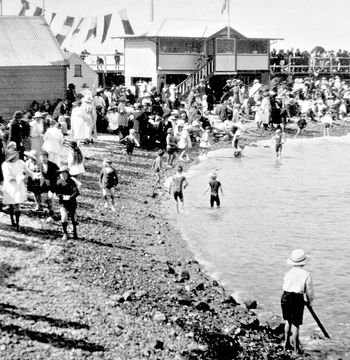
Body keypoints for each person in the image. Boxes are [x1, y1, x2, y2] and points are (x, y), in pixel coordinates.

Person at [281, 249, 314, 354]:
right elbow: (309, 292)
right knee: (295, 325)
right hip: (296, 299)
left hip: (285, 297)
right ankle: (296, 349)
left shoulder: (288, 273)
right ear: (303, 263)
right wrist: (309, 302)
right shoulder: (306, 274)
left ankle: (286, 344)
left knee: (287, 321)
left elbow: (285, 286)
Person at [1, 148, 33, 230]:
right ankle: (12, 221)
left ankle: (17, 223)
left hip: (19, 185)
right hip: (10, 186)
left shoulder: (20, 162)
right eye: (16, 154)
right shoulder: (5, 165)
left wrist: (33, 175)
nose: (18, 155)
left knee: (17, 203)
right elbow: (8, 177)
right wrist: (19, 177)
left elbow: (27, 170)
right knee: (11, 204)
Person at [54, 166, 80, 240]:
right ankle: (65, 233)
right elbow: (57, 192)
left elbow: (77, 192)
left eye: (63, 173)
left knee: (73, 218)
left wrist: (70, 197)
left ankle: (75, 231)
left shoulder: (72, 182)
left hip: (72, 202)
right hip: (63, 203)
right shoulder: (58, 182)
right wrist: (62, 197)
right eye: (60, 173)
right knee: (64, 217)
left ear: (67, 173)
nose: (62, 175)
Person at [38, 151, 59, 221]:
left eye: (44, 158)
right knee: (45, 198)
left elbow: (58, 175)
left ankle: (52, 212)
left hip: (52, 185)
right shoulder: (38, 165)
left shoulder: (53, 165)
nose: (43, 159)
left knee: (50, 197)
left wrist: (53, 182)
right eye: (41, 158)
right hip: (43, 185)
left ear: (47, 158)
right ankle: (47, 209)